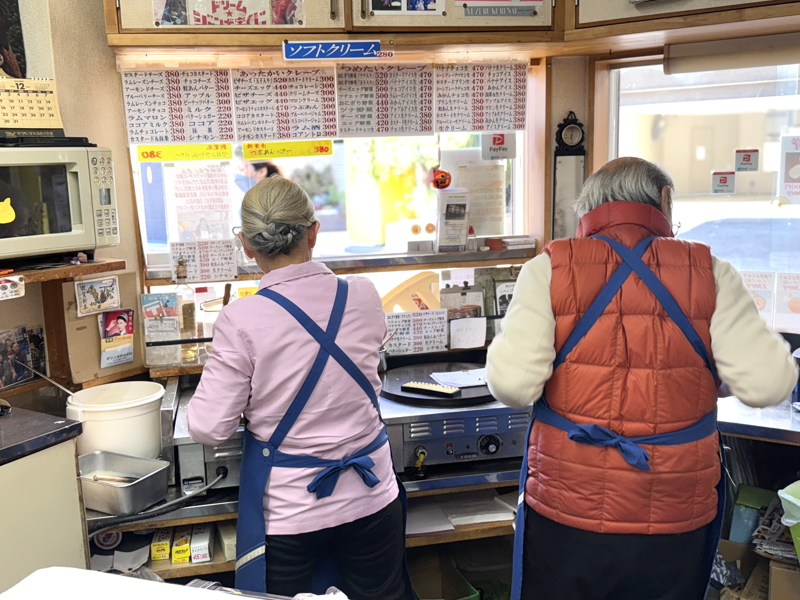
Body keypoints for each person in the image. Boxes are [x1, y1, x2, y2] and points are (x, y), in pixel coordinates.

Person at [487, 157, 799, 600]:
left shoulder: (550, 268)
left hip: (569, 509)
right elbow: (768, 385)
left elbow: (513, 385)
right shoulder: (711, 271)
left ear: (587, 209)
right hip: (676, 512)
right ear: (664, 201)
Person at [187, 176, 412, 599]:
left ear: (247, 245)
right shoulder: (363, 296)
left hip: (290, 513)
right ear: (313, 231)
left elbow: (209, 428)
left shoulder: (241, 320)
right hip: (372, 495)